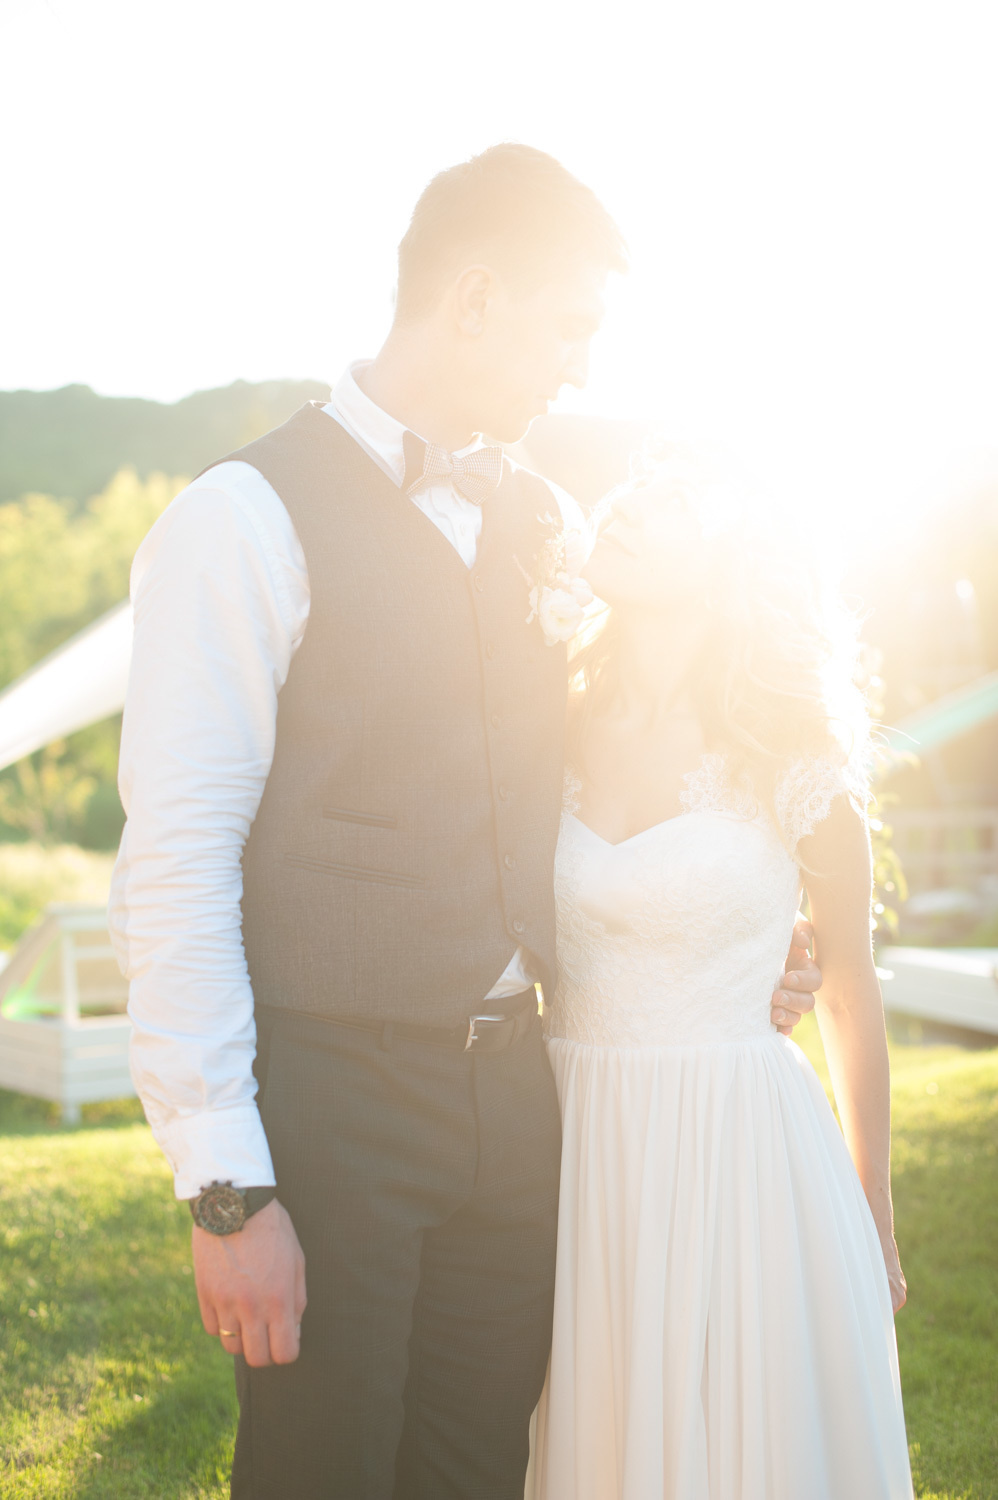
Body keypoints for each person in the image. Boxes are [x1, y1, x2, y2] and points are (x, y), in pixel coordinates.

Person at [109, 146, 822, 1500]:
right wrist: (227, 1188)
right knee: (323, 1475)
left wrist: (731, 935)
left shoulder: (541, 518)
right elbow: (176, 863)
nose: (581, 371)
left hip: (520, 1102)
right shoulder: (241, 520)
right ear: (476, 297)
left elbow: (592, 767)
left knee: (478, 1469)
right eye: (571, 328)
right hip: (334, 1103)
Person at [527, 445, 913, 1499]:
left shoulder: (792, 759)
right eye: (630, 488)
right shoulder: (540, 719)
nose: (629, 502)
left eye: (671, 501)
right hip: (567, 1137)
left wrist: (870, 1210)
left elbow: (843, 987)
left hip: (735, 1142)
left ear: (729, 563)